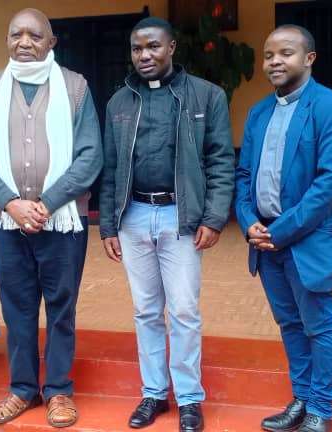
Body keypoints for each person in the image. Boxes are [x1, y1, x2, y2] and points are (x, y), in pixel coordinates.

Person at [0, 8, 102, 428]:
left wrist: (47, 201)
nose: (24, 42)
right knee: (17, 308)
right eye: (16, 34)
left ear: (51, 42)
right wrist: (11, 203)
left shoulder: (76, 87)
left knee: (61, 307)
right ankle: (22, 389)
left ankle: (59, 390)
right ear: (7, 40)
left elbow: (90, 155)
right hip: (6, 222)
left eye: (34, 35)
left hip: (62, 222)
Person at [99, 16, 235, 432]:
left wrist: (214, 217)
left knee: (184, 310)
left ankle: (190, 398)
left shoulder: (206, 95)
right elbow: (110, 168)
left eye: (153, 46)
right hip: (134, 217)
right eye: (137, 48)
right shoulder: (119, 103)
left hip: (181, 217)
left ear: (172, 47)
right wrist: (108, 225)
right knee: (145, 310)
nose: (144, 55)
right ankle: (154, 393)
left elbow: (221, 160)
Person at [234, 25, 332, 432]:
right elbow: (244, 175)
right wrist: (248, 222)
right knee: (289, 324)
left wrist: (280, 230)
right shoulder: (258, 113)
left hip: (309, 240)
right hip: (266, 241)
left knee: (319, 325)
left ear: (309, 58)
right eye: (269, 55)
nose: (274, 61)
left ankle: (321, 408)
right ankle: (302, 397)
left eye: (285, 53)